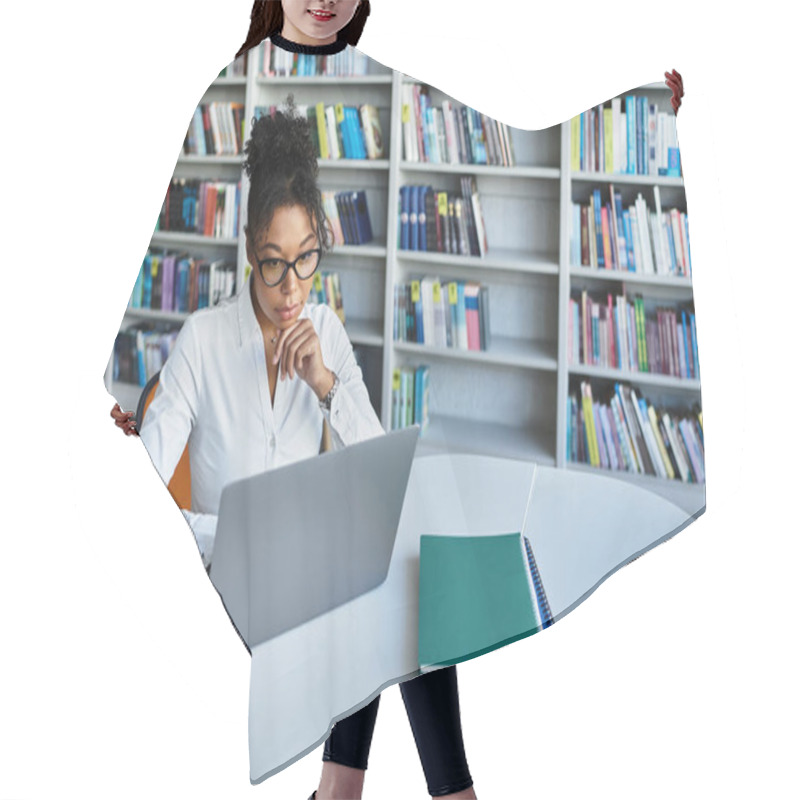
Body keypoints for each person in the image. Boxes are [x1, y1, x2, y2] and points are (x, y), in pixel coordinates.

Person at [109, 3, 686, 798]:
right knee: (391, 571)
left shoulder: (327, 334)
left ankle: (346, 790)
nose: (288, 288)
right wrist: (223, 522)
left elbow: (386, 471)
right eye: (273, 265)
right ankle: (437, 792)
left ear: (321, 251)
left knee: (399, 550)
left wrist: (325, 385)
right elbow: (138, 486)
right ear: (248, 253)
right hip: (233, 558)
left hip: (315, 553)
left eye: (305, 262)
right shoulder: (204, 340)